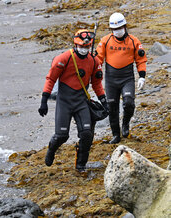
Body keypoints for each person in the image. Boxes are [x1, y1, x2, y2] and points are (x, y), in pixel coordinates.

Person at [38, 29, 108, 172]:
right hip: (64, 102)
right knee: (62, 135)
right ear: (75, 45)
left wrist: (104, 101)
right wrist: (44, 100)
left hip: (81, 101)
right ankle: (52, 148)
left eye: (86, 47)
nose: (84, 49)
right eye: (81, 47)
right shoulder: (63, 59)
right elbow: (50, 79)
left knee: (87, 134)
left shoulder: (94, 61)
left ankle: (81, 164)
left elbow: (97, 83)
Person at [96, 12, 147, 144]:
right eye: (114, 29)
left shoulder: (133, 41)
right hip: (111, 79)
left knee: (129, 102)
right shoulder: (105, 41)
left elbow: (140, 59)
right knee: (112, 106)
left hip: (127, 78)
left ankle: (125, 123)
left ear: (124, 26)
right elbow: (98, 59)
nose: (117, 31)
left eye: (119, 28)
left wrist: (142, 77)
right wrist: (96, 71)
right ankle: (115, 135)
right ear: (111, 30)